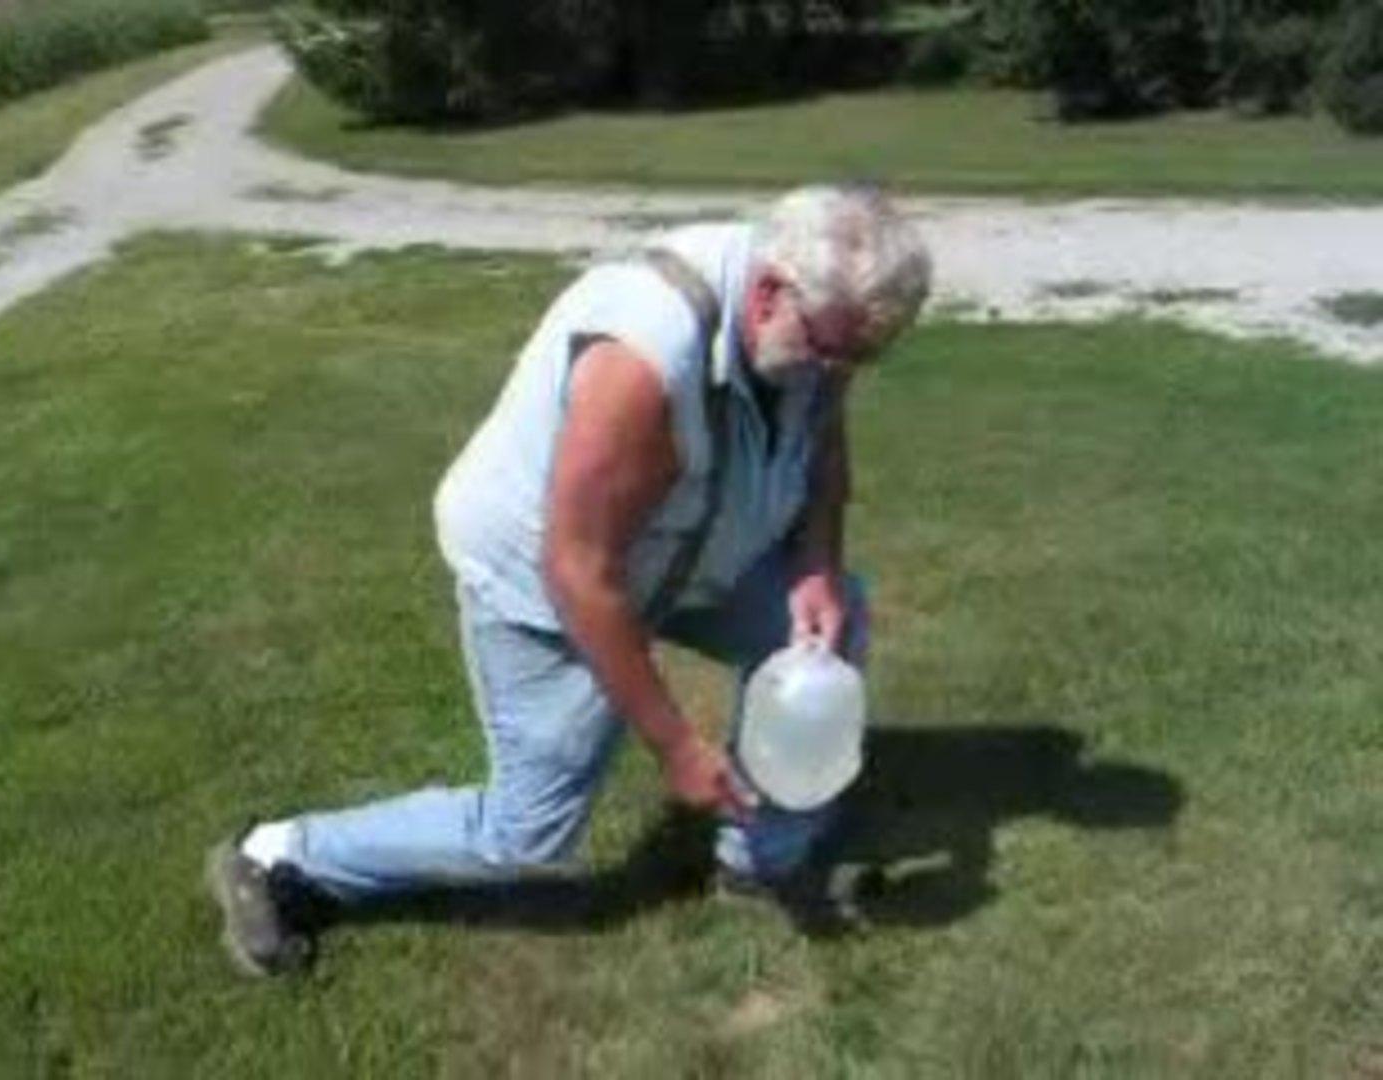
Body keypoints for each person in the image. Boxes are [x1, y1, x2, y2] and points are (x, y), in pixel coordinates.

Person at [206, 184, 932, 976]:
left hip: (695, 549)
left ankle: (758, 861)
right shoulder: (647, 359)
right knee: (527, 832)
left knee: (837, 620)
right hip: (550, 582)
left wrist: (818, 561)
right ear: (766, 296)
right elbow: (580, 570)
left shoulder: (819, 326)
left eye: (859, 359)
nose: (838, 374)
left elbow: (822, 442)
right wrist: (675, 744)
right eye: (832, 354)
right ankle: (276, 855)